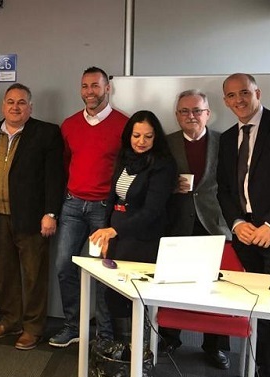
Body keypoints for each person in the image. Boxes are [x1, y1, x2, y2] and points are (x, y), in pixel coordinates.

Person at [217, 73, 270, 377]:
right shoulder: (226, 138)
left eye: (245, 93)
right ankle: (260, 367)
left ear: (258, 93)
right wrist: (236, 223)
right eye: (232, 95)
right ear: (225, 101)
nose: (239, 100)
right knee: (256, 307)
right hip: (246, 236)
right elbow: (223, 189)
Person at [0, 83, 64, 350]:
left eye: (22, 102)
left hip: (32, 219)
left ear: (30, 107)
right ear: (3, 105)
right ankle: (9, 320)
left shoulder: (46, 133)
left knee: (34, 275)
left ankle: (33, 327)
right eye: (11, 102)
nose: (15, 107)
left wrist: (50, 213)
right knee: (6, 274)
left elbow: (54, 177)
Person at [50, 66, 125, 347]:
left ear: (107, 89)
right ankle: (74, 326)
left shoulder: (123, 124)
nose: (89, 92)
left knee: (103, 272)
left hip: (103, 210)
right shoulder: (69, 125)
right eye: (84, 86)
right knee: (63, 266)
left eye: (95, 86)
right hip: (72, 206)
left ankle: (104, 334)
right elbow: (67, 163)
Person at [90, 110, 176, 339]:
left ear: (156, 137)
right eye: (136, 135)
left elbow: (152, 210)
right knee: (114, 295)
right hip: (118, 237)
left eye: (148, 136)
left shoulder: (163, 165)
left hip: (143, 240)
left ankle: (140, 355)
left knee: (137, 297)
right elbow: (113, 198)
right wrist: (108, 233)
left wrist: (114, 230)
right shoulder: (125, 157)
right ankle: (120, 348)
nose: (141, 142)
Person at [162, 89, 232, 369]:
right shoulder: (166, 144)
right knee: (173, 285)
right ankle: (169, 338)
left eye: (196, 111)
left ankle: (216, 346)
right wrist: (171, 186)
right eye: (184, 111)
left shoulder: (224, 142)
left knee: (216, 288)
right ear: (177, 115)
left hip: (214, 223)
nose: (191, 116)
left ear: (208, 113)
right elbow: (155, 182)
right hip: (177, 222)